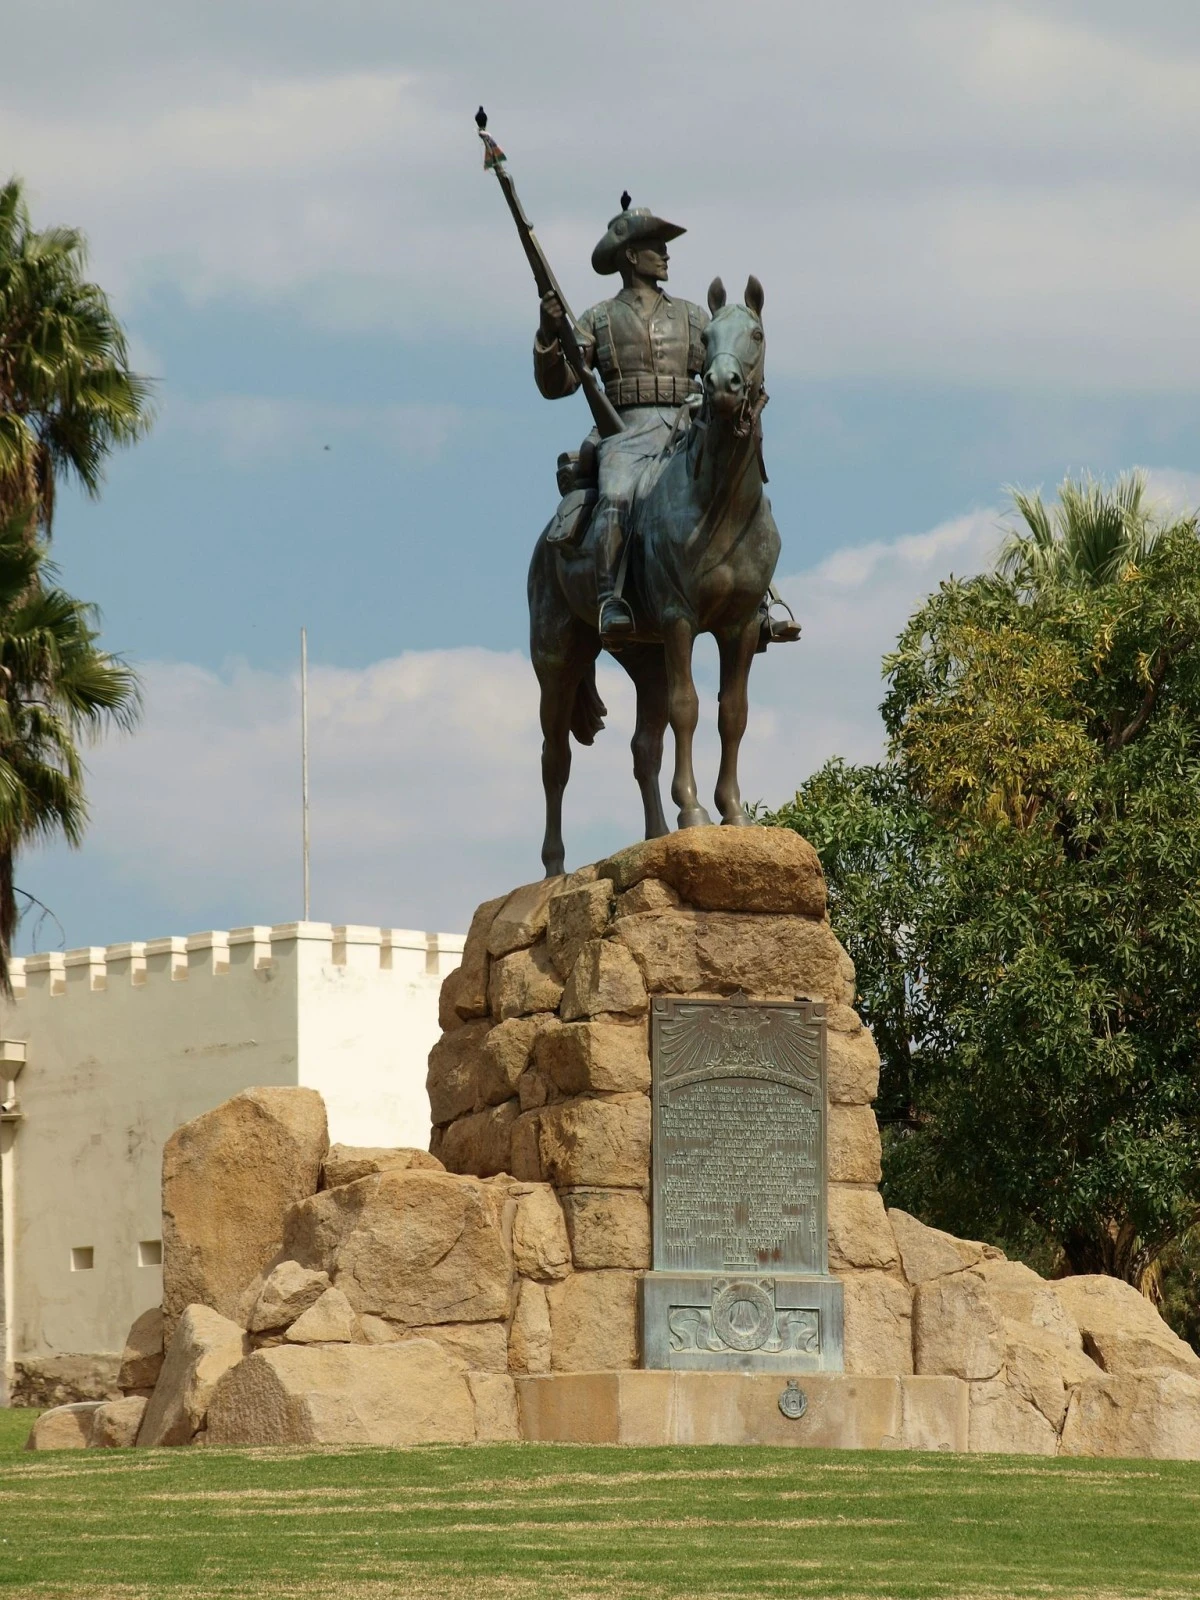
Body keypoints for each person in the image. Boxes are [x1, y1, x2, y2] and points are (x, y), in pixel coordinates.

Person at [534, 200, 707, 643]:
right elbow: (558, 385)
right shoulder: (598, 319)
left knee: (734, 489)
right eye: (656, 247)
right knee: (616, 493)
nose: (666, 255)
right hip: (625, 431)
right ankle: (611, 597)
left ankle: (760, 599)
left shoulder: (692, 315)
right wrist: (549, 333)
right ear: (631, 256)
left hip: (687, 429)